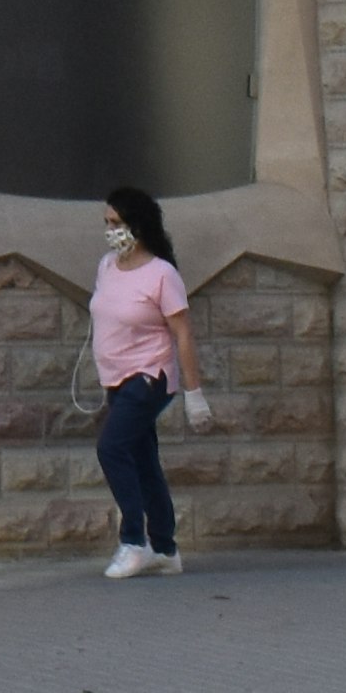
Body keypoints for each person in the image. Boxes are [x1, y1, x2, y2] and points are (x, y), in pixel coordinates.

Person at [90, 184, 211, 580]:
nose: (111, 231)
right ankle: (165, 548)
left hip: (149, 377)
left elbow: (183, 335)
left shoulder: (162, 274)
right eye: (107, 222)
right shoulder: (107, 266)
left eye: (117, 223)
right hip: (117, 379)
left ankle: (133, 541)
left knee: (111, 447)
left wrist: (194, 395)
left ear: (138, 225)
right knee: (143, 461)